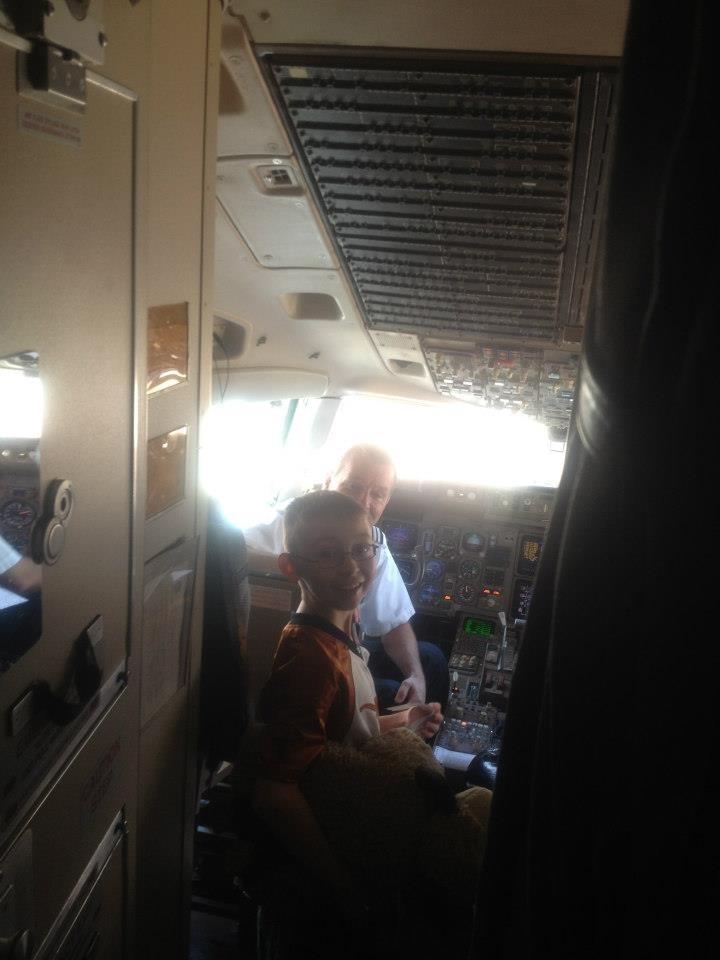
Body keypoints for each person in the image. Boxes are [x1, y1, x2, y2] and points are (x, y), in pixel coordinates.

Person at [252, 490, 442, 926]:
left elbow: (342, 732)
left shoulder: (338, 631)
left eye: (362, 549)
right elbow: (275, 792)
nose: (352, 567)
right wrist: (344, 886)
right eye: (328, 554)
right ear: (290, 567)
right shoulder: (310, 660)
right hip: (318, 871)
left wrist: (403, 722)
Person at [243, 443, 449, 711]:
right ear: (328, 480)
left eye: (377, 494)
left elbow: (392, 619)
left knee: (430, 660)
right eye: (353, 486)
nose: (363, 502)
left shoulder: (373, 542)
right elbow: (230, 563)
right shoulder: (276, 528)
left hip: (347, 644)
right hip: (296, 651)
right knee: (389, 692)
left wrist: (416, 677)